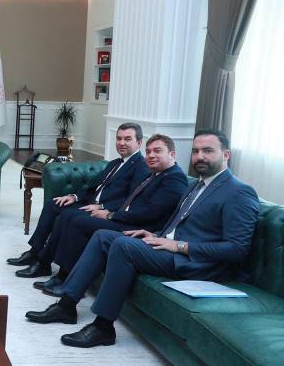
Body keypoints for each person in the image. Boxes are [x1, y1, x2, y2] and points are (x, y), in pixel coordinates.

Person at [25, 129, 259, 348]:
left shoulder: (239, 192)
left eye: (207, 151)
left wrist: (177, 245)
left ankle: (103, 327)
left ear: (226, 155)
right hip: (169, 248)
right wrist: (155, 235)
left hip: (195, 262)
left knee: (122, 245)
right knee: (103, 236)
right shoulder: (197, 185)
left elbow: (237, 249)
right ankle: (67, 305)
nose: (199, 157)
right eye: (196, 151)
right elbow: (179, 225)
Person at [34, 134, 188, 296]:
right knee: (72, 217)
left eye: (157, 151)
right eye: (148, 151)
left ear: (172, 154)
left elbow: (151, 213)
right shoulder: (156, 173)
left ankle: (65, 278)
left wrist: (111, 215)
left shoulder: (174, 178)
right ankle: (56, 270)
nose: (151, 155)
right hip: (129, 219)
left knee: (79, 222)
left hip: (140, 228)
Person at [9, 123, 149, 278]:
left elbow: (131, 198)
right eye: (119, 138)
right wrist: (73, 197)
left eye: (127, 139)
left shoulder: (141, 166)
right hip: (89, 202)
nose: (122, 143)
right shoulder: (115, 163)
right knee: (52, 205)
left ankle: (43, 263)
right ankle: (34, 252)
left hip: (104, 210)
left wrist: (103, 207)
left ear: (139, 142)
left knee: (65, 216)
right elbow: (94, 187)